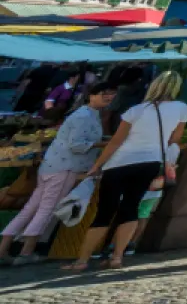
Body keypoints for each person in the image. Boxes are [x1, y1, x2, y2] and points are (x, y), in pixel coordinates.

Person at [71, 71, 187, 273]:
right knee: (131, 207)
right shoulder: (181, 109)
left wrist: (97, 165)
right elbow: (174, 139)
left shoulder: (136, 110)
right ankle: (117, 257)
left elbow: (116, 141)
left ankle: (82, 260)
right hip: (149, 162)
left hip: (120, 162)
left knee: (105, 211)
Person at [2, 85, 110, 263]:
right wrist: (105, 144)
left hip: (52, 166)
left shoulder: (86, 114)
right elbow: (77, 145)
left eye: (111, 94)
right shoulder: (84, 116)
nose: (109, 97)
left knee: (30, 208)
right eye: (105, 93)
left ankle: (4, 249)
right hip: (64, 167)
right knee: (46, 209)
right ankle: (26, 252)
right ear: (91, 96)